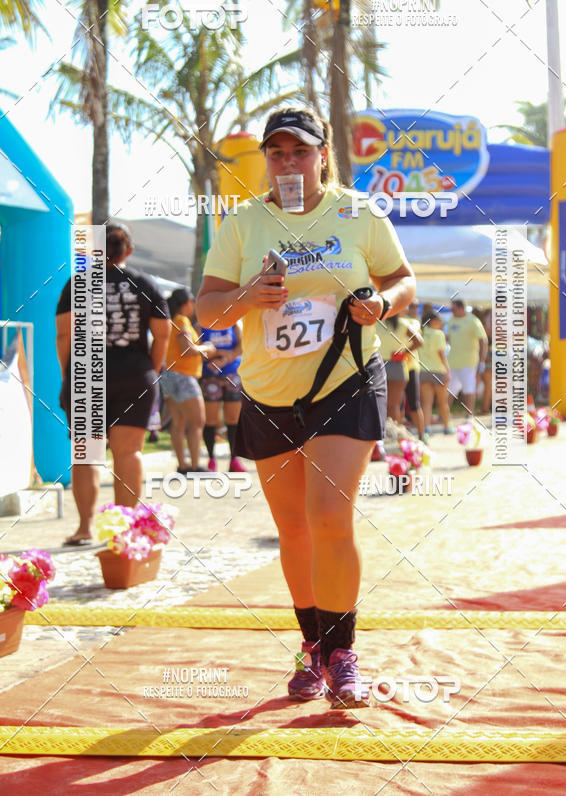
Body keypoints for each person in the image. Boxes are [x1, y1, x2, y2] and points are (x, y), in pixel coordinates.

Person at [196, 107, 416, 709]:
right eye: (277, 152)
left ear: (323, 155)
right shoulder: (244, 222)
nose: (288, 162)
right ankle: (313, 647)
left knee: (327, 517)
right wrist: (246, 295)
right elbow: (206, 311)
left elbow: (403, 281)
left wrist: (383, 304)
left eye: (300, 151)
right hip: (269, 392)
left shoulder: (356, 212)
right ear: (267, 159)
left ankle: (344, 655)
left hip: (345, 381)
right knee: (293, 530)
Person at [56, 222, 170, 546]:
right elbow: (162, 334)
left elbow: (64, 333)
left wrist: (68, 373)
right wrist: (151, 368)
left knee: (87, 452)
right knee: (129, 452)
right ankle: (124, 528)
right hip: (135, 372)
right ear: (128, 251)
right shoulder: (146, 283)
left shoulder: (77, 283)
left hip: (86, 371)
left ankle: (84, 528)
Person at [161, 287, 216, 474]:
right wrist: (207, 348)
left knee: (178, 423)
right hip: (183, 376)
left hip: (170, 376)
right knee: (197, 421)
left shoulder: (172, 321)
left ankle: (182, 466)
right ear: (186, 303)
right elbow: (187, 348)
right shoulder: (182, 320)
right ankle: (193, 465)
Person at [195, 320, 246, 472]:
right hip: (210, 376)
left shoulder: (234, 323)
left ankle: (234, 459)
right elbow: (198, 350)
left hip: (233, 374)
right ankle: (211, 459)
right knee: (210, 420)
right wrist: (220, 354)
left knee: (233, 419)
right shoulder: (200, 325)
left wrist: (225, 358)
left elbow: (243, 346)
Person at [446, 298, 488, 416]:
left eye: (453, 309)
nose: (452, 311)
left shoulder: (473, 321)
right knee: (450, 390)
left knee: (468, 389)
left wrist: (482, 361)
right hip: (452, 362)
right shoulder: (451, 320)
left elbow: (483, 341)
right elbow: (448, 338)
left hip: (469, 362)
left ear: (461, 308)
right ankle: (445, 414)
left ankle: (469, 414)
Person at [419, 311, 452, 434]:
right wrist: (448, 370)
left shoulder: (420, 332)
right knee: (442, 402)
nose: (441, 323)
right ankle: (447, 426)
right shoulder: (438, 334)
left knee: (426, 403)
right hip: (438, 371)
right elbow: (441, 354)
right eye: (439, 321)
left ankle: (426, 427)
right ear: (432, 321)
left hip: (422, 370)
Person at [402, 301, 426, 441]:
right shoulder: (398, 321)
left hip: (410, 367)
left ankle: (422, 435)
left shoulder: (414, 322)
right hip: (397, 366)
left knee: (414, 403)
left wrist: (404, 351)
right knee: (397, 405)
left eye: (416, 306)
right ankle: (400, 436)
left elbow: (417, 340)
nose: (413, 309)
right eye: (410, 306)